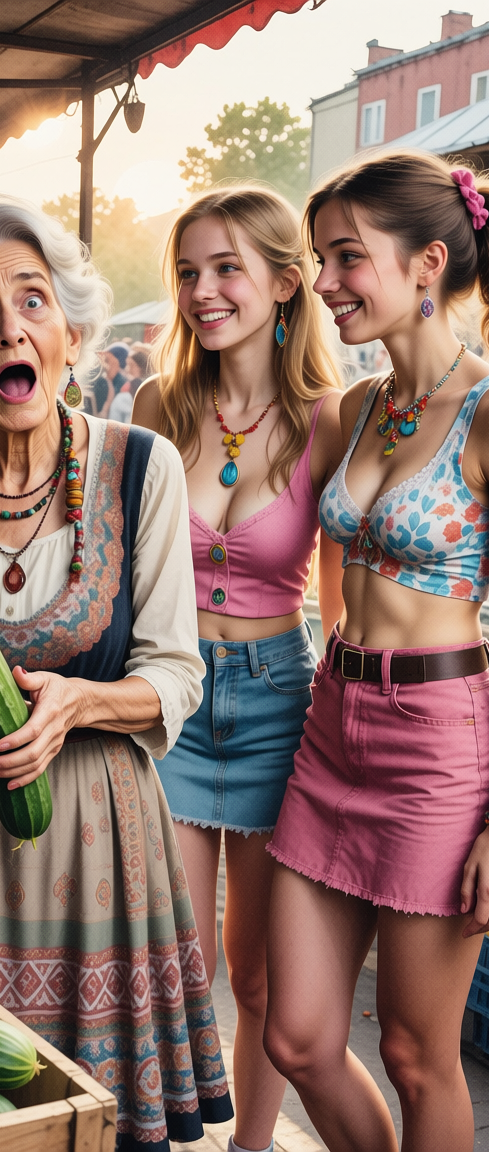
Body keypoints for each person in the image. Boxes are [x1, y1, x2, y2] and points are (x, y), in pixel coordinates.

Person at [0, 194, 234, 1150]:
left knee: (88, 1118)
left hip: (98, 840)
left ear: (70, 331)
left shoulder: (143, 468)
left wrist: (79, 703)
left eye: (32, 299)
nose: (10, 325)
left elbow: (176, 674)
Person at [262, 151, 489, 1152]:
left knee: (412, 1055)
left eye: (346, 257)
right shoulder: (353, 407)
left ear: (428, 261)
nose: (323, 283)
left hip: (439, 749)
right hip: (330, 728)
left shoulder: (485, 413)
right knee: (297, 1036)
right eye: (319, 259)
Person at [132, 185, 344, 1152]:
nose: (202, 291)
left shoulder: (329, 420)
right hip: (168, 698)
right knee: (174, 962)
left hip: (277, 703)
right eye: (187, 271)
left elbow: (339, 604)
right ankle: (165, 1131)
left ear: (285, 283)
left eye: (226, 268)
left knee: (256, 975)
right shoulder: (153, 407)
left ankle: (250, 1148)